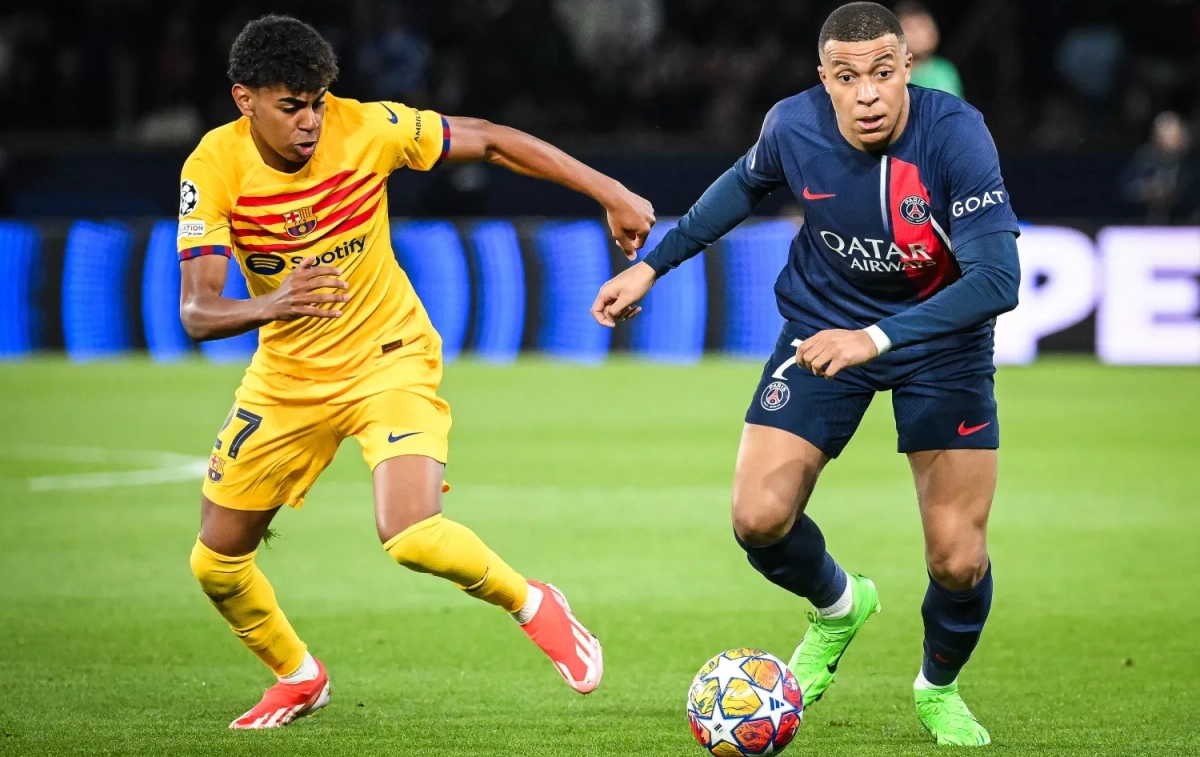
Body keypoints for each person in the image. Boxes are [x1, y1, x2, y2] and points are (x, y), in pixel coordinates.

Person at [179, 14, 655, 730]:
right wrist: (276, 302)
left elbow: (490, 139)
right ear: (245, 99)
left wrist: (609, 190)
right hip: (286, 382)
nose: (311, 121)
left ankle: (534, 603)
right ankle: (298, 674)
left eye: (318, 101)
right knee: (215, 565)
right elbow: (198, 311)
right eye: (291, 106)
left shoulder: (367, 127)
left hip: (388, 357)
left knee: (409, 533)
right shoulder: (211, 168)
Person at [592, 1, 1019, 747]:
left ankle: (938, 687)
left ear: (906, 70)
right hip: (823, 328)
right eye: (848, 77)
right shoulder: (791, 125)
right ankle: (839, 605)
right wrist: (653, 265)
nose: (868, 94)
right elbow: (738, 189)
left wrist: (876, 337)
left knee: (957, 559)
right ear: (824, 79)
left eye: (884, 74)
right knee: (758, 519)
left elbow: (998, 280)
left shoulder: (955, 134)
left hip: (937, 341)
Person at [895, 2, 963, 99]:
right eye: (908, 27)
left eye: (921, 26)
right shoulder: (893, 72)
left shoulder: (944, 71)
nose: (916, 34)